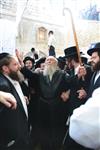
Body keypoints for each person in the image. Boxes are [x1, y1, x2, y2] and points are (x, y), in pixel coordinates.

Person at [20, 56, 70, 150]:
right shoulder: (40, 74)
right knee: (44, 129)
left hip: (58, 107)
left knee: (57, 129)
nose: (49, 61)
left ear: (56, 64)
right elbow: (29, 74)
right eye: (47, 60)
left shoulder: (63, 74)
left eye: (51, 60)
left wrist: (68, 92)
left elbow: (71, 83)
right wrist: (22, 66)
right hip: (43, 107)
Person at [69, 42, 100, 150]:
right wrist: (86, 93)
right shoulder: (95, 72)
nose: (91, 60)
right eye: (91, 57)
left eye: (94, 57)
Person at [0, 52, 31, 150]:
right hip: (12, 140)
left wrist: (22, 99)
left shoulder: (13, 77)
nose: (19, 66)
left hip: (21, 134)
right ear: (5, 68)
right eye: (15, 64)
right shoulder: (3, 85)